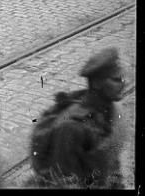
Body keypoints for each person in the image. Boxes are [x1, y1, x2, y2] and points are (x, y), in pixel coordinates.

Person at [28, 47, 126, 189]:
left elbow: (111, 163)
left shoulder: (109, 111)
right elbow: (64, 181)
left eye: (122, 78)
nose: (123, 83)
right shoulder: (72, 127)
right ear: (97, 83)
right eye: (116, 79)